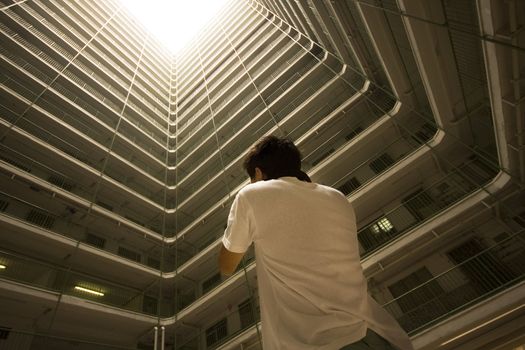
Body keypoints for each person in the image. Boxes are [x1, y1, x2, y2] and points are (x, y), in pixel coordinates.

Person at [219, 135, 413, 350]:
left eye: (252, 178)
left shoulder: (251, 195)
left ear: (258, 172)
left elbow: (226, 265)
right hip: (372, 333)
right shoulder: (337, 197)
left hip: (314, 343)